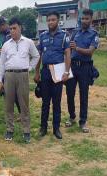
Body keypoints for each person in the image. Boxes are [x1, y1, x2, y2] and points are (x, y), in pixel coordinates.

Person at [0, 17, 39, 143]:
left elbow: (36, 56)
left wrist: (29, 68)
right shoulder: (6, 45)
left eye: (14, 28)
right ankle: (10, 130)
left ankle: (26, 131)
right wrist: (0, 80)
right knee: (8, 104)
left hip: (22, 75)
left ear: (20, 28)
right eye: (10, 29)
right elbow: (2, 64)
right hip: (9, 76)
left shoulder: (28, 42)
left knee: (24, 104)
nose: (12, 31)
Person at [34, 11, 71, 139]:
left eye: (53, 20)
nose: (50, 22)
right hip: (45, 72)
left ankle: (56, 129)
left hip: (58, 72)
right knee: (45, 102)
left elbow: (67, 54)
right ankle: (43, 128)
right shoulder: (43, 36)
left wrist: (66, 71)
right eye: (48, 20)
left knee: (56, 102)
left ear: (58, 20)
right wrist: (37, 71)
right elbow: (38, 55)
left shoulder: (64, 35)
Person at [65, 9, 99, 133]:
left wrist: (77, 48)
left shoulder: (94, 34)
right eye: (82, 18)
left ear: (91, 20)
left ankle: (83, 121)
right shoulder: (74, 33)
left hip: (85, 67)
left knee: (83, 95)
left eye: (86, 19)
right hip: (73, 67)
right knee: (69, 93)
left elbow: (90, 51)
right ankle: (72, 116)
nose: (84, 21)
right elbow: (68, 50)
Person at [0, 17, 21, 114]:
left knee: (17, 94)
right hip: (7, 68)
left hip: (14, 68)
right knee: (10, 93)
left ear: (3, 25)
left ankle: (21, 113)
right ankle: (17, 113)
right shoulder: (4, 37)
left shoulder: (10, 35)